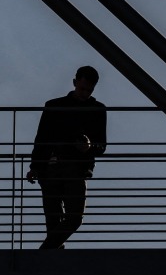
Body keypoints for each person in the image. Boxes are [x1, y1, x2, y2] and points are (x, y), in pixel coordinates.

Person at [25, 66, 107, 249]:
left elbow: (101, 146)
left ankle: (45, 254)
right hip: (52, 167)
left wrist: (89, 147)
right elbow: (41, 139)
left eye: (88, 90)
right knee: (57, 221)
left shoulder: (97, 109)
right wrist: (35, 167)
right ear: (75, 83)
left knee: (73, 218)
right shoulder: (54, 106)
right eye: (82, 88)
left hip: (74, 169)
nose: (84, 93)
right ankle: (49, 256)